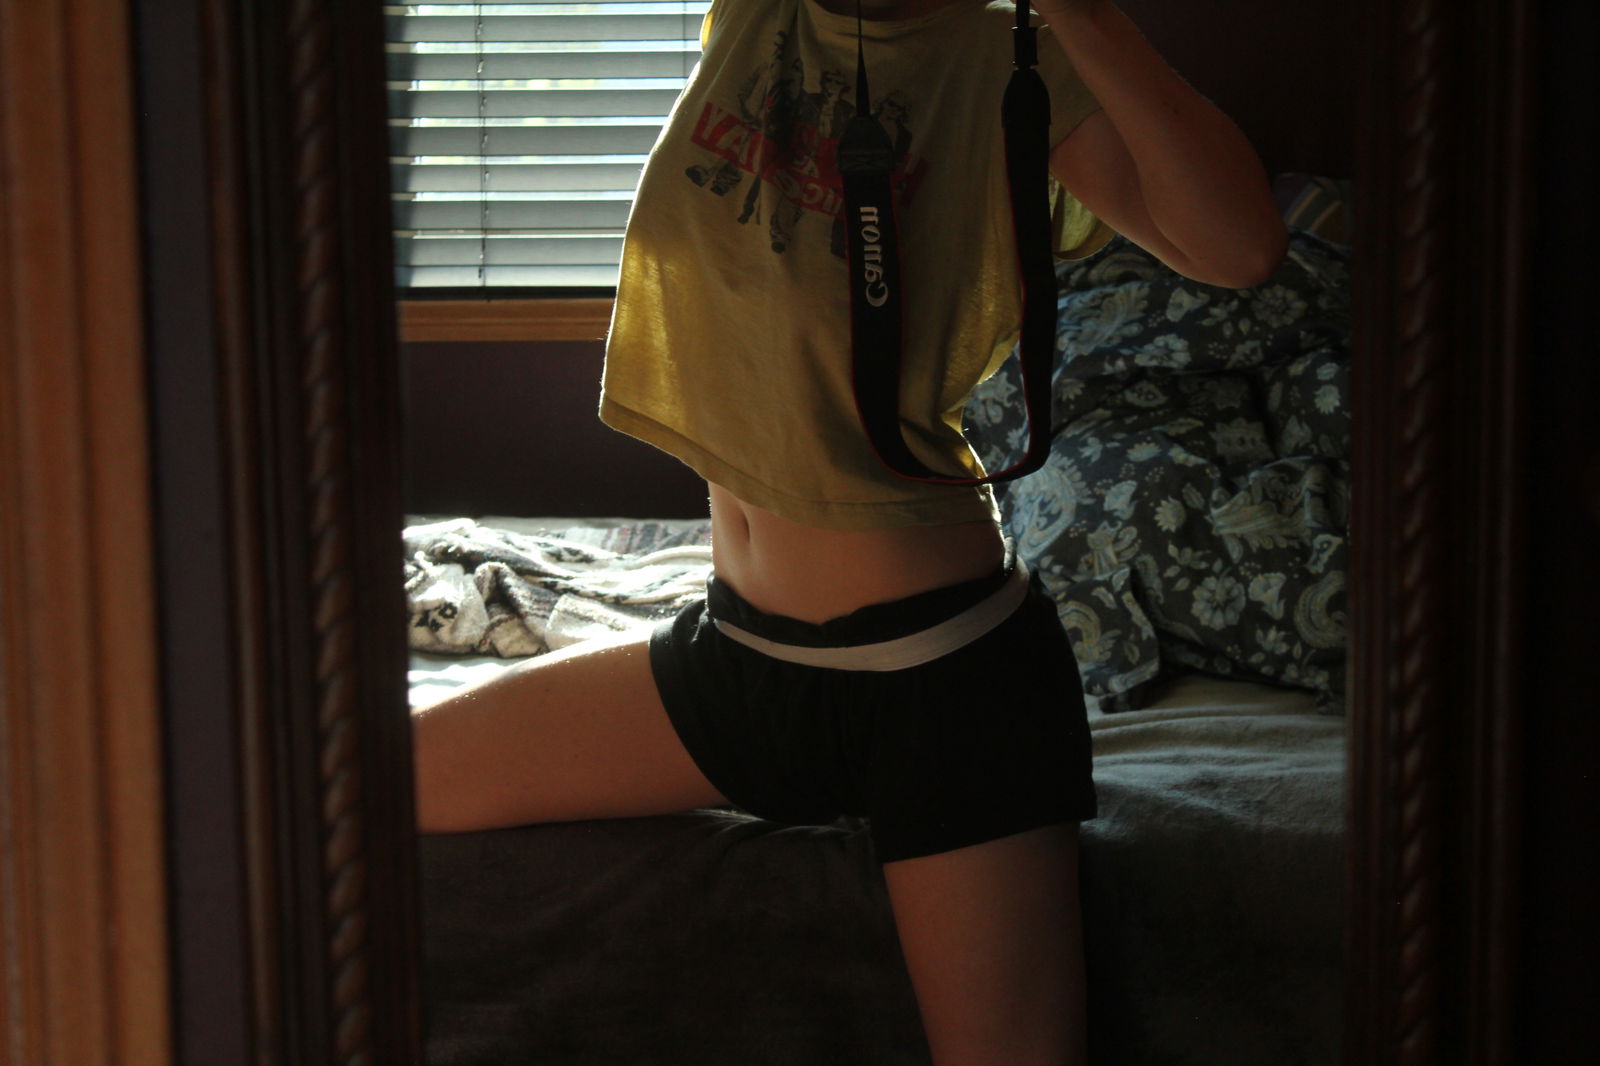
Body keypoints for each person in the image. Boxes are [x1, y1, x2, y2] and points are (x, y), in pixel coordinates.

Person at [411, 2, 1286, 1063]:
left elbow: (1238, 246)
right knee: (382, 782)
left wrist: (1084, 15)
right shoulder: (760, 15)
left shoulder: (1014, 66)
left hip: (945, 684)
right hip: (736, 657)